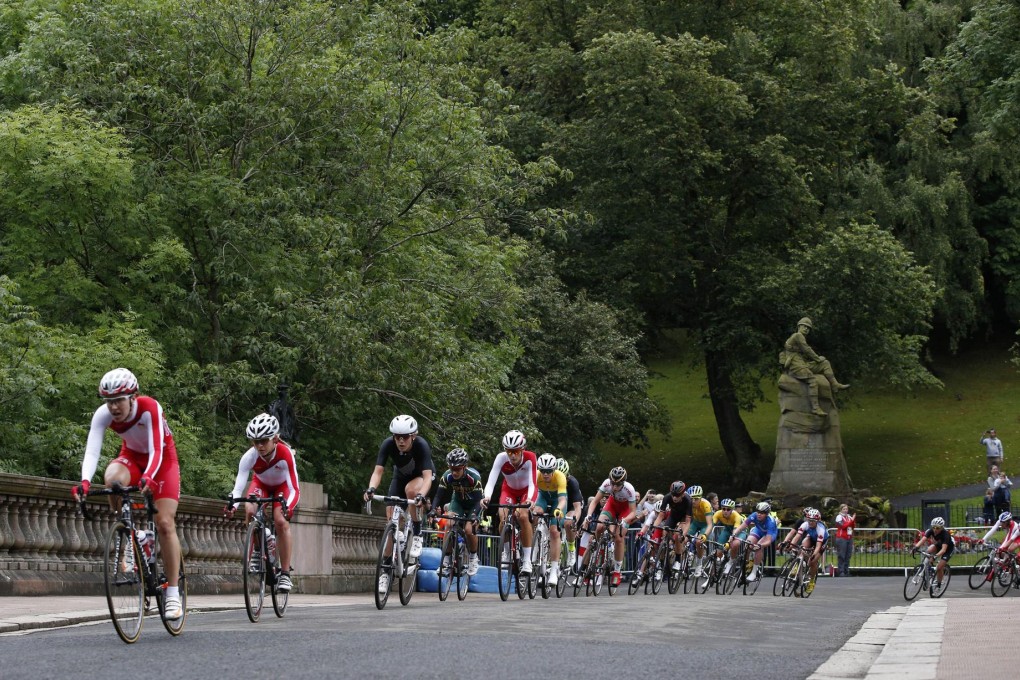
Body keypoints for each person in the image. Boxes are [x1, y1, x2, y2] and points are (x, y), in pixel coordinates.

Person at [72, 368, 184, 619]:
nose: (113, 407)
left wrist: (149, 476)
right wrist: (85, 482)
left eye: (118, 400)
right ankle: (131, 532)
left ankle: (173, 594)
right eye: (109, 401)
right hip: (132, 458)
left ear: (133, 397)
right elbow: (92, 451)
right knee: (112, 479)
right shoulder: (103, 415)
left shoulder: (149, 407)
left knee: (165, 523)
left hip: (163, 461)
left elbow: (157, 449)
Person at [224, 413, 300, 592]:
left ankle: (285, 574)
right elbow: (238, 489)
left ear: (274, 439)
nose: (259, 446)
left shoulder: (285, 453)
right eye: (255, 441)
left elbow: (295, 488)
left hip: (283, 487)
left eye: (264, 441)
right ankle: (259, 550)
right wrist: (232, 506)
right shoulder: (249, 457)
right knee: (249, 509)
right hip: (262, 484)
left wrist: (287, 506)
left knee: (280, 520)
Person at [363, 415, 435, 592]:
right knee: (391, 522)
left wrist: (421, 495)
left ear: (413, 436)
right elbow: (378, 471)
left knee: (411, 492)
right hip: (400, 478)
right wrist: (371, 488)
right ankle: (386, 572)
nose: (401, 441)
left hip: (421, 478)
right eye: (397, 437)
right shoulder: (388, 444)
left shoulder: (421, 445)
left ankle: (417, 533)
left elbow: (427, 478)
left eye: (405, 437)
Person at [480, 430, 538, 574]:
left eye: (516, 451)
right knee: (503, 517)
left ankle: (527, 561)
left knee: (523, 516)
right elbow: (491, 481)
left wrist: (530, 499)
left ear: (522, 449)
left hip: (526, 491)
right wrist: (486, 496)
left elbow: (533, 483)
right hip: (509, 490)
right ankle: (506, 553)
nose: (512, 455)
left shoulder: (530, 457)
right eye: (509, 451)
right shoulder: (501, 458)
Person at [430, 448, 484, 576]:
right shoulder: (447, 475)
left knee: (469, 530)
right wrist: (432, 509)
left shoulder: (474, 478)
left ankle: (473, 557)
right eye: (451, 468)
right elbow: (438, 495)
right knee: (448, 524)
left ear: (464, 467)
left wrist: (474, 515)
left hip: (474, 504)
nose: (454, 472)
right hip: (458, 502)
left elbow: (479, 501)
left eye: (457, 469)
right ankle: (447, 561)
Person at [780, 317, 849, 416]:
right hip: (796, 367)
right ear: (799, 326)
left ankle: (835, 384)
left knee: (825, 363)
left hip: (802, 364)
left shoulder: (800, 337)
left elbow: (805, 351)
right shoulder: (797, 335)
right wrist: (817, 359)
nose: (806, 329)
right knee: (812, 381)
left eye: (808, 328)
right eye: (804, 326)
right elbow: (807, 350)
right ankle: (815, 408)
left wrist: (818, 360)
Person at [580, 466, 638, 587]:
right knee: (599, 527)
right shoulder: (606, 484)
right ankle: (585, 567)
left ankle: (617, 571)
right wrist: (588, 516)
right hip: (611, 506)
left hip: (625, 511)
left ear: (623, 482)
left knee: (618, 537)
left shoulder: (629, 489)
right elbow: (595, 501)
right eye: (613, 483)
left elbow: (633, 512)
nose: (615, 487)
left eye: (618, 484)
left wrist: (625, 520)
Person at [533, 453, 568, 586]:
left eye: (548, 471)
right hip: (542, 497)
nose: (545, 474)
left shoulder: (560, 477)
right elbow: (532, 493)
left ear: (554, 470)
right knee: (535, 514)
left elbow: (562, 499)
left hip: (556, 500)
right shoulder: (536, 475)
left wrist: (558, 509)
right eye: (543, 471)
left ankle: (554, 569)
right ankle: (533, 543)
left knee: (554, 531)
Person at [648, 480, 693, 575]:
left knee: (677, 534)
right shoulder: (667, 497)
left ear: (683, 494)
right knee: (665, 530)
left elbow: (688, 522)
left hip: (684, 518)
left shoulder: (688, 500)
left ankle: (678, 559)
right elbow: (660, 516)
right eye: (673, 495)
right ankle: (665, 553)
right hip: (673, 516)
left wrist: (683, 534)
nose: (674, 497)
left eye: (677, 495)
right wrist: (654, 527)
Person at [729, 501, 780, 582]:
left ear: (767, 514)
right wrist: (734, 534)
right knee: (748, 544)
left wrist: (760, 546)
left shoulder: (771, 522)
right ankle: (745, 566)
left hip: (769, 534)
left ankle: (754, 572)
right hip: (758, 530)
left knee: (758, 547)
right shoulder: (754, 515)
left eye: (762, 513)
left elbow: (768, 541)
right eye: (758, 512)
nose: (759, 514)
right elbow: (741, 527)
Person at [782, 508, 829, 594]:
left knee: (813, 561)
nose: (810, 522)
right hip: (811, 537)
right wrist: (791, 545)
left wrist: (814, 555)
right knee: (802, 547)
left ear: (817, 521)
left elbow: (818, 546)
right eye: (809, 520)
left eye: (813, 521)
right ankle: (798, 565)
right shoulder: (805, 524)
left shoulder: (820, 529)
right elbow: (797, 536)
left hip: (821, 542)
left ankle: (811, 581)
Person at [911, 516, 954, 589]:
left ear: (942, 527)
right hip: (939, 545)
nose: (935, 529)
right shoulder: (931, 531)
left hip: (948, 549)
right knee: (928, 551)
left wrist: (935, 556)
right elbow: (923, 540)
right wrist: (916, 547)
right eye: (934, 527)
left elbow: (943, 550)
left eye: (937, 528)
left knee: (939, 567)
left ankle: (939, 584)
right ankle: (929, 570)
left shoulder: (945, 535)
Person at [558, 457, 584, 576]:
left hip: (572, 505)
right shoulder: (552, 481)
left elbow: (577, 508)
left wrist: (574, 521)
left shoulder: (572, 483)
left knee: (568, 523)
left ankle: (571, 548)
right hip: (559, 504)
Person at [687, 485, 714, 577]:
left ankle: (699, 564)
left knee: (699, 541)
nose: (693, 501)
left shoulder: (706, 505)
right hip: (695, 523)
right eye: (691, 499)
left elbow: (710, 524)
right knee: (682, 538)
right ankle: (682, 563)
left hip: (705, 524)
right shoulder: (688, 503)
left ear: (700, 498)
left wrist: (705, 535)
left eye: (696, 499)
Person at [833, 503, 856, 577]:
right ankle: (841, 571)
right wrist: (851, 521)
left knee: (848, 555)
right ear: (841, 510)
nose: (846, 510)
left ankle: (846, 570)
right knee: (841, 555)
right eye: (844, 509)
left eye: (846, 509)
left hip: (849, 537)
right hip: (841, 538)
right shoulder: (839, 517)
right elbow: (843, 526)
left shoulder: (849, 517)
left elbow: (852, 526)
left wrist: (852, 521)